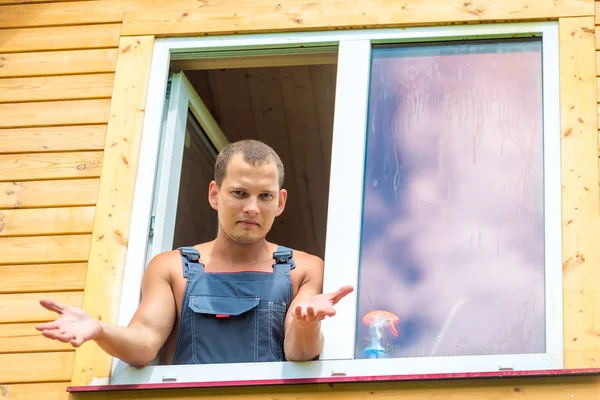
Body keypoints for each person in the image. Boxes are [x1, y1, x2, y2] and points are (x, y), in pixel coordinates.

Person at [36, 139, 353, 367]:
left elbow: (299, 353)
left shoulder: (304, 268)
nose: (252, 208)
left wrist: (307, 323)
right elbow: (144, 343)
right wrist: (100, 330)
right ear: (215, 194)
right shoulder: (171, 267)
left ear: (280, 202)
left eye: (265, 196)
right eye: (239, 193)